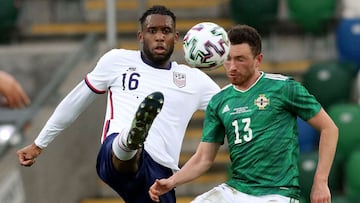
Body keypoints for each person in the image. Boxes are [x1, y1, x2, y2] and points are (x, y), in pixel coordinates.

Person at [16, 5, 220, 203]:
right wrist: (39, 143)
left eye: (166, 31)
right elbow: (75, 101)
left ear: (176, 38)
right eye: (152, 31)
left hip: (160, 173)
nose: (159, 37)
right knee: (127, 149)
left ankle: (133, 138)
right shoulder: (116, 61)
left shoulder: (194, 80)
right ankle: (131, 138)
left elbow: (231, 107)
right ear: (141, 36)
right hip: (113, 155)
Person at [149, 24, 339, 203]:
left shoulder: (284, 88)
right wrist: (172, 181)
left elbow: (329, 128)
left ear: (258, 60)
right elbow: (203, 158)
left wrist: (321, 182)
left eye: (240, 59)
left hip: (277, 192)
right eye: (228, 59)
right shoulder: (219, 101)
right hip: (236, 191)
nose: (232, 67)